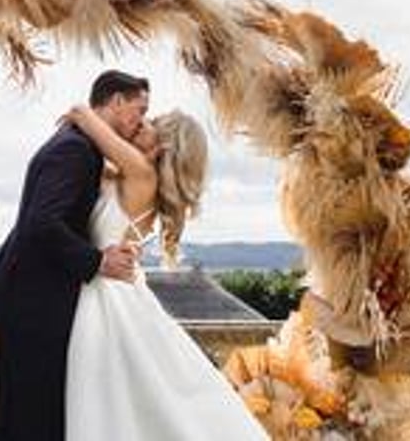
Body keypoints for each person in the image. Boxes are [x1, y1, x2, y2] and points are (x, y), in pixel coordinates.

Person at [61, 104, 269, 441]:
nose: (140, 124)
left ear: (164, 146)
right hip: (117, 287)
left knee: (101, 396)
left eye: (151, 123)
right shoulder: (138, 178)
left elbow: (83, 117)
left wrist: (86, 116)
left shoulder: (141, 172)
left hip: (104, 294)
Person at [0, 70, 151, 441]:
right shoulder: (75, 150)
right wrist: (98, 261)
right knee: (30, 412)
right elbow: (42, 224)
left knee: (24, 410)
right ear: (116, 101)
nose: (142, 120)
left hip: (30, 294)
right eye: (139, 109)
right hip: (32, 299)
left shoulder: (81, 144)